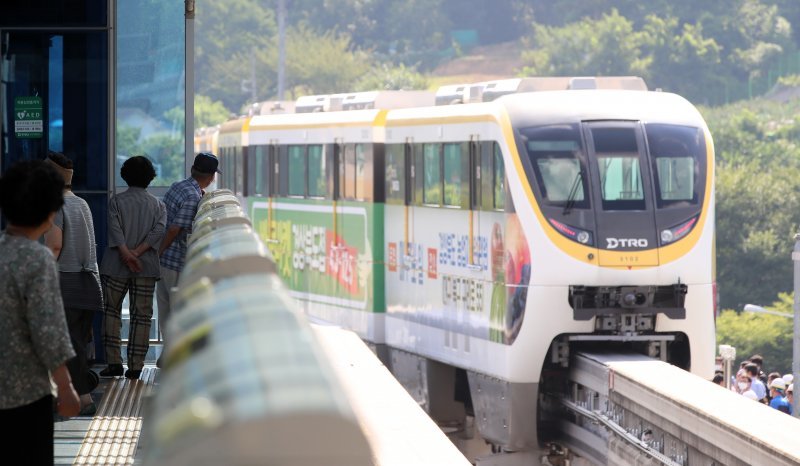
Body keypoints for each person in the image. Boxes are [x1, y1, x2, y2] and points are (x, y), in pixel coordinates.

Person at [0, 160, 81, 464]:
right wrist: (66, 386)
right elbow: (48, 331)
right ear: (50, 212)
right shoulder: (38, 259)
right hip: (26, 393)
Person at [43, 151, 103, 415]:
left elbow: (54, 246)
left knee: (67, 346)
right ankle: (75, 396)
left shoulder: (55, 205)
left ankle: (83, 400)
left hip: (65, 283)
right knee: (76, 344)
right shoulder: (82, 204)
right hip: (89, 284)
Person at [99, 156, 166, 379]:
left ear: (125, 176)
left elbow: (115, 229)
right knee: (142, 315)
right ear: (150, 177)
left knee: (111, 311)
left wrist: (126, 253)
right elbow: (158, 232)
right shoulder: (158, 205)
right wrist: (137, 253)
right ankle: (136, 366)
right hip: (145, 266)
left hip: (115, 265)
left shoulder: (116, 202)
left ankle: (114, 363)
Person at [157, 152, 219, 367]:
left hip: (164, 262)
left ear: (193, 169)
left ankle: (167, 353)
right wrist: (160, 251)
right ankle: (172, 357)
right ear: (211, 177)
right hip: (174, 261)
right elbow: (175, 229)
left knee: (165, 309)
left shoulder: (178, 186)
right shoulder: (193, 197)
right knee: (177, 311)